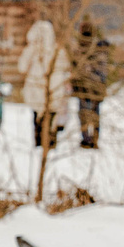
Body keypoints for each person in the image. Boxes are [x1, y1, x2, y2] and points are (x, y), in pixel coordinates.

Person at [18, 18, 69, 151]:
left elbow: (64, 69)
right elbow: (22, 67)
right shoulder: (34, 51)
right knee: (40, 118)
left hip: (51, 90)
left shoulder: (56, 51)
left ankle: (48, 144)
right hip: (38, 90)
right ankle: (42, 144)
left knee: (49, 118)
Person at [71, 20, 112, 148]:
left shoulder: (81, 49)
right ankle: (93, 139)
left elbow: (76, 70)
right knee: (95, 114)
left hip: (84, 88)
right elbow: (103, 70)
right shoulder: (99, 48)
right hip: (96, 88)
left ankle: (87, 139)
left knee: (84, 114)